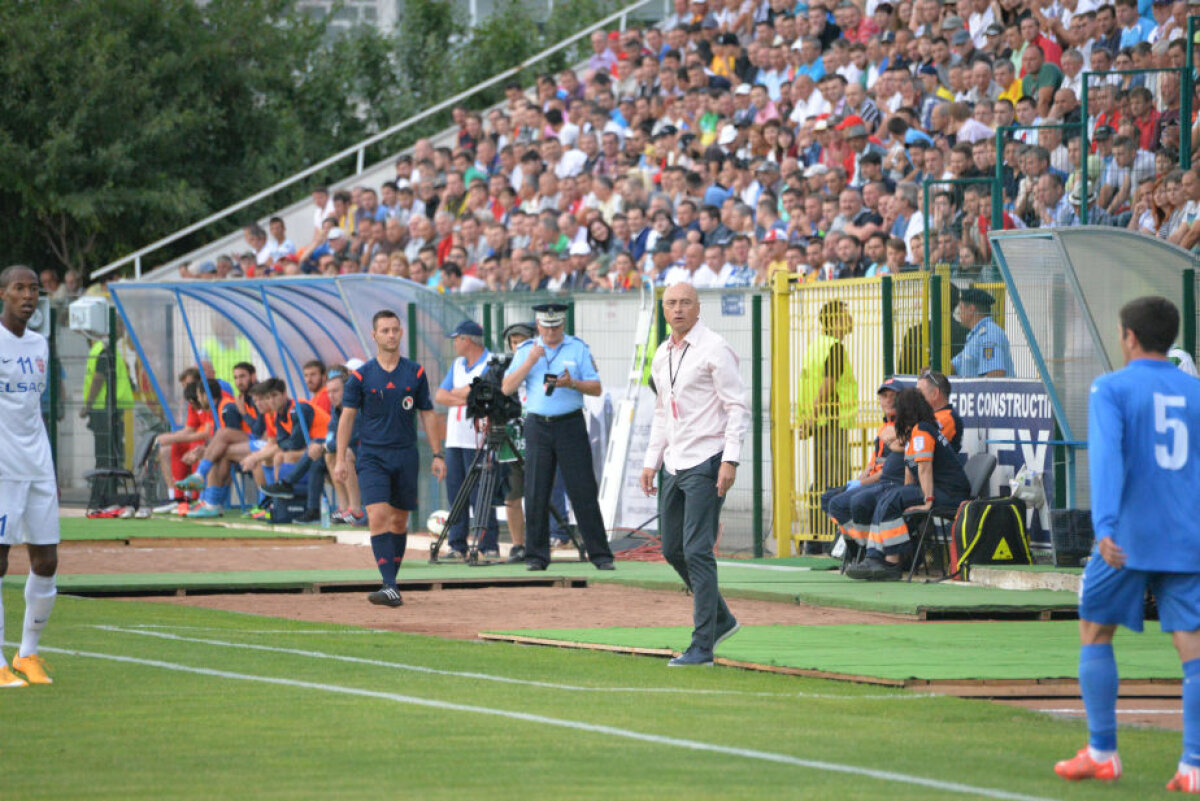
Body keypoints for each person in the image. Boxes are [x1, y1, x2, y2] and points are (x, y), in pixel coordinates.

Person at [1054, 296, 1200, 792]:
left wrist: (1107, 526)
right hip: (1187, 535)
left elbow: (1108, 461)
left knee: (1095, 632)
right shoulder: (1196, 392)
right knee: (1194, 649)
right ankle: (1193, 765)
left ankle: (1102, 753)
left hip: (1128, 537)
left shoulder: (1110, 388)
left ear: (1129, 336)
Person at [640, 283, 747, 667]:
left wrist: (730, 459)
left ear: (698, 308)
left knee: (697, 550)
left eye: (685, 302)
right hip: (674, 461)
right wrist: (651, 461)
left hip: (707, 458)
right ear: (663, 309)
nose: (678, 309)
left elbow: (736, 406)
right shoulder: (662, 353)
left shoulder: (715, 348)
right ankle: (721, 619)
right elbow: (661, 412)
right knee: (671, 549)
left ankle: (702, 646)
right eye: (671, 303)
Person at [335, 310, 443, 607]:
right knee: (378, 516)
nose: (391, 335)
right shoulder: (360, 376)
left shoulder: (416, 373)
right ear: (374, 335)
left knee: (398, 521)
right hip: (372, 456)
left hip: (406, 455)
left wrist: (437, 454)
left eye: (395, 330)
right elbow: (347, 418)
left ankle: (389, 583)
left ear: (400, 334)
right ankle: (391, 586)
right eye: (385, 330)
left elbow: (428, 414)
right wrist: (341, 459)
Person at [501, 303, 615, 571]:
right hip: (538, 425)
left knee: (583, 489)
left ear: (562, 325)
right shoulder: (526, 349)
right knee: (536, 490)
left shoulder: (577, 348)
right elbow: (506, 387)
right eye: (546, 326)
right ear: (538, 326)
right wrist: (530, 361)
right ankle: (536, 557)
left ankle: (600, 555)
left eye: (555, 326)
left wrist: (572, 383)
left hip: (570, 424)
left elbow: (596, 388)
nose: (551, 331)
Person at [0, 265, 60, 687]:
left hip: (38, 466)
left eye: (33, 289)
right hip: (2, 468)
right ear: (2, 293)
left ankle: (28, 654)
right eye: (19, 288)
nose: (28, 296)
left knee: (46, 560)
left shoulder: (40, 343)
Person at [847, 388, 970, 581]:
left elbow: (924, 469)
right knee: (889, 498)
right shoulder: (918, 431)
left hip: (948, 494)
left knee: (892, 499)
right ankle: (875, 557)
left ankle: (892, 563)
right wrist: (903, 492)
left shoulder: (922, 431)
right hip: (936, 489)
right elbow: (909, 469)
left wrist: (928, 501)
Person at [433, 320, 501, 559]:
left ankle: (488, 544)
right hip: (455, 439)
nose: (454, 344)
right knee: (456, 493)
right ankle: (457, 544)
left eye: (457, 339)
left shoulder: (491, 362)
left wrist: (467, 394)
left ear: (468, 340)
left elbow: (483, 394)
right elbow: (441, 395)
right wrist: (466, 396)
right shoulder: (457, 364)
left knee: (480, 494)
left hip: (478, 439)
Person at [800, 300, 858, 548]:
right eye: (846, 316)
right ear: (834, 321)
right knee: (837, 478)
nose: (851, 320)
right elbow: (828, 384)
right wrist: (814, 415)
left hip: (820, 421)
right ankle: (829, 537)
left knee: (822, 476)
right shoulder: (834, 348)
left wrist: (809, 419)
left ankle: (817, 534)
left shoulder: (816, 346)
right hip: (831, 420)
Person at [498, 322, 535, 563]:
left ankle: (539, 542)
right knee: (512, 495)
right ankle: (517, 545)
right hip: (511, 437)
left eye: (522, 340)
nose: (517, 345)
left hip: (537, 433)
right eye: (513, 342)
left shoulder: (542, 363)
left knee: (538, 493)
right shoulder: (503, 368)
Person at [951, 288, 1014, 377]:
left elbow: (995, 374)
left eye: (961, 309)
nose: (959, 314)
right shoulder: (975, 336)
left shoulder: (989, 335)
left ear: (971, 310)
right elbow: (955, 364)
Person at [916, 369, 963, 451]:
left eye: (919, 392)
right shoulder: (932, 416)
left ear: (935, 393)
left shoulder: (947, 418)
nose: (915, 396)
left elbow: (919, 442)